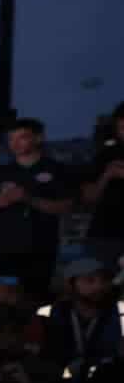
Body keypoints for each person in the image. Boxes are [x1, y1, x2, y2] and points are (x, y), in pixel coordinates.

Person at [0, 119, 75, 305]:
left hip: (39, 252)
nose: (15, 143)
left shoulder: (56, 169)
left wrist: (28, 199)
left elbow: (67, 206)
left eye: (22, 137)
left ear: (38, 138)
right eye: (11, 139)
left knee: (34, 305)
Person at [81, 101, 124, 275]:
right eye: (122, 127)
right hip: (105, 235)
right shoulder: (106, 155)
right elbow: (88, 198)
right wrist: (106, 176)